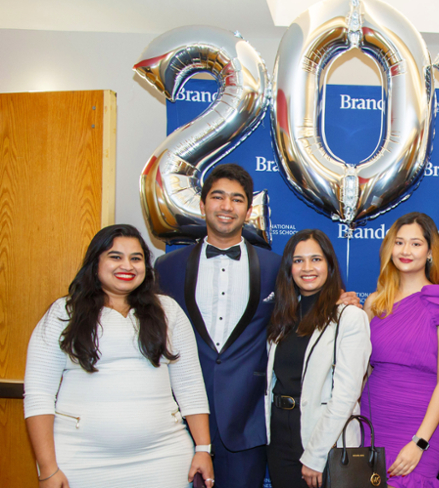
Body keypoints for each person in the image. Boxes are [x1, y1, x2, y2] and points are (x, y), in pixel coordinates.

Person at [24, 224, 214, 488]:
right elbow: (38, 395)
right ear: (95, 263)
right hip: (81, 461)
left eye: (136, 258)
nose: (127, 266)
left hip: (163, 458)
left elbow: (190, 385)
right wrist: (47, 469)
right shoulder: (63, 313)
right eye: (115, 257)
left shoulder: (168, 311)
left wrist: (203, 448)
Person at [155, 164, 281, 488]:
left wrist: (341, 300)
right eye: (218, 197)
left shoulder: (275, 267)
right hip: (180, 422)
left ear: (248, 210)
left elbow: (303, 314)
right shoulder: (167, 267)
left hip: (246, 421)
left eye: (237, 199)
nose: (227, 207)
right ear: (202, 205)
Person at [361, 212, 439, 488]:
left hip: (422, 421)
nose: (405, 251)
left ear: (429, 252)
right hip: (374, 417)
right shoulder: (375, 303)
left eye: (415, 244)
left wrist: (419, 441)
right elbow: (362, 370)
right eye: (399, 242)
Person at [264, 230, 371, 488]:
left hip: (323, 438)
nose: (307, 268)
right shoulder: (282, 317)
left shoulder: (349, 317)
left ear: (329, 265)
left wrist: (316, 454)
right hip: (279, 436)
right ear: (289, 268)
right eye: (298, 260)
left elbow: (346, 394)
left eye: (316, 259)